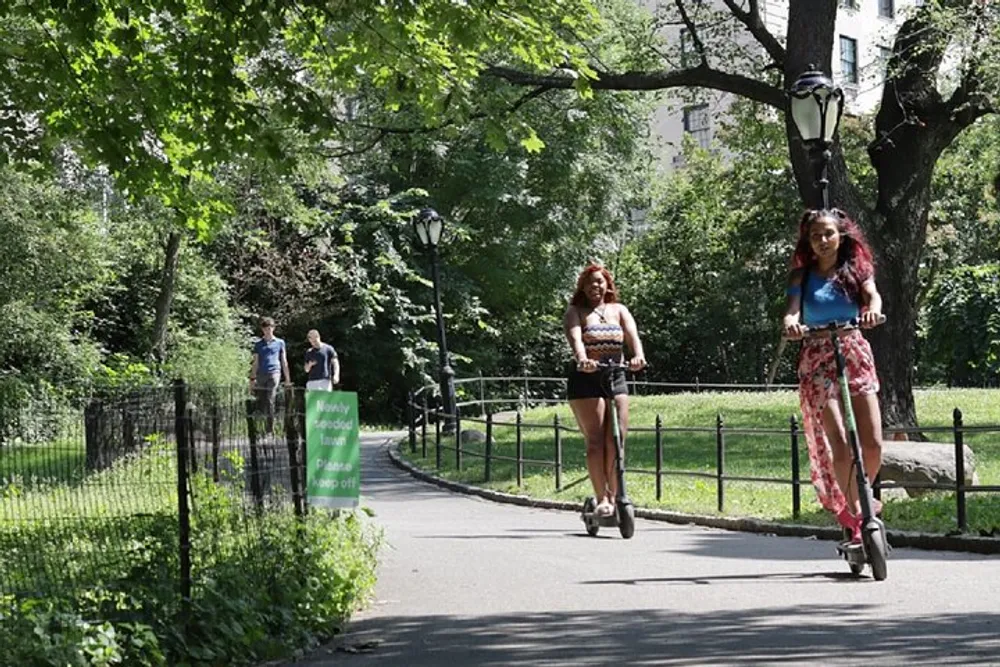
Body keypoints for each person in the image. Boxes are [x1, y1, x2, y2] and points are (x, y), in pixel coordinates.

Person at [781, 209, 884, 544]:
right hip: (817, 355)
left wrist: (871, 310)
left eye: (828, 234)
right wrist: (791, 323)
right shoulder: (802, 276)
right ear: (808, 242)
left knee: (871, 443)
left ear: (841, 235)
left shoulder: (856, 269)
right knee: (838, 439)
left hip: (853, 349)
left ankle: (860, 494)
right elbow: (792, 309)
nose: (822, 241)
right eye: (815, 236)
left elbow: (871, 295)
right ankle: (856, 512)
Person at [563, 263, 646, 518]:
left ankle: (617, 493)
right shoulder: (575, 312)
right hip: (586, 378)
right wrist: (582, 359)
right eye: (589, 283)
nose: (594, 286)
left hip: (615, 374)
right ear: (582, 288)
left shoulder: (619, 310)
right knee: (596, 441)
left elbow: (632, 336)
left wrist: (638, 356)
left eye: (599, 281)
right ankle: (603, 499)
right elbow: (576, 339)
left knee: (617, 439)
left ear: (607, 284)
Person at [249, 317, 292, 436]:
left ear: (273, 328)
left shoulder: (279, 343)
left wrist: (287, 379)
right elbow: (256, 362)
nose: (268, 331)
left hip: (274, 372)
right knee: (260, 400)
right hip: (261, 373)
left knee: (270, 399)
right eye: (266, 329)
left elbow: (284, 361)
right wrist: (252, 378)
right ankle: (260, 427)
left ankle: (269, 429)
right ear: (262, 329)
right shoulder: (258, 344)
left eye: (270, 328)